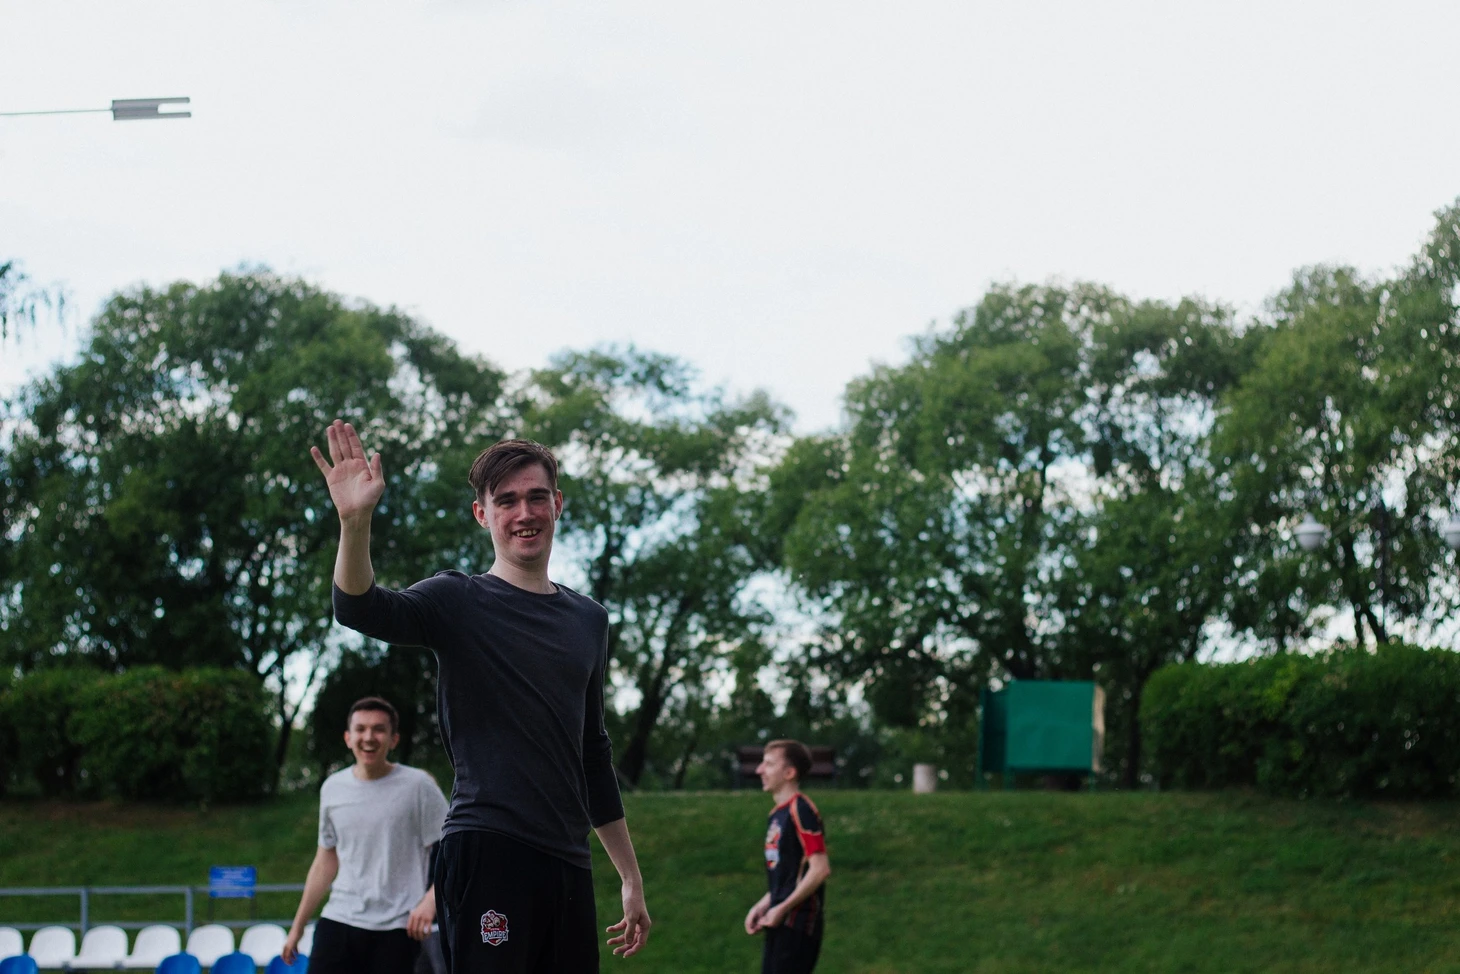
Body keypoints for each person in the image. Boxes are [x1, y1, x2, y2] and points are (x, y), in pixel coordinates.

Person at [310, 421, 651, 973]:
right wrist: (355, 523)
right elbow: (359, 609)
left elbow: (593, 754)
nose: (524, 513)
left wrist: (629, 876)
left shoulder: (589, 620)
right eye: (506, 501)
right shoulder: (458, 600)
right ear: (482, 514)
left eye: (536, 497)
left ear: (558, 504)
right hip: (489, 849)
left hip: (569, 861)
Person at [282, 696, 449, 973]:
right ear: (348, 738)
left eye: (379, 729)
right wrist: (297, 928)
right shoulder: (332, 788)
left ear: (394, 740)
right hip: (339, 919)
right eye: (360, 729)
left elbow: (454, 849)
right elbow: (325, 861)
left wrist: (431, 901)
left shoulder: (418, 786)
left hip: (398, 927)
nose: (369, 737)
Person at [744, 740, 831, 974]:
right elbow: (788, 876)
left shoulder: (801, 810)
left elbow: (820, 869)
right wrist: (764, 905)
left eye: (769, 764)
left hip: (798, 923)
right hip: (779, 919)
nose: (760, 770)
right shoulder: (777, 814)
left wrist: (782, 907)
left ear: (789, 773)